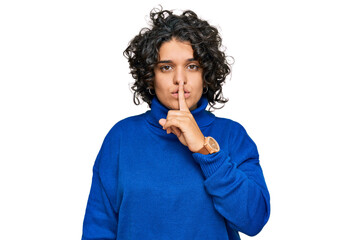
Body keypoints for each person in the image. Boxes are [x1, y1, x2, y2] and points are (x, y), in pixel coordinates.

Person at [82, 7, 270, 240]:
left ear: (206, 74)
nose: (179, 79)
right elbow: (99, 228)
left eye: (192, 66)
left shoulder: (232, 135)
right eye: (166, 67)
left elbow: (254, 220)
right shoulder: (121, 137)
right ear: (150, 76)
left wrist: (204, 149)